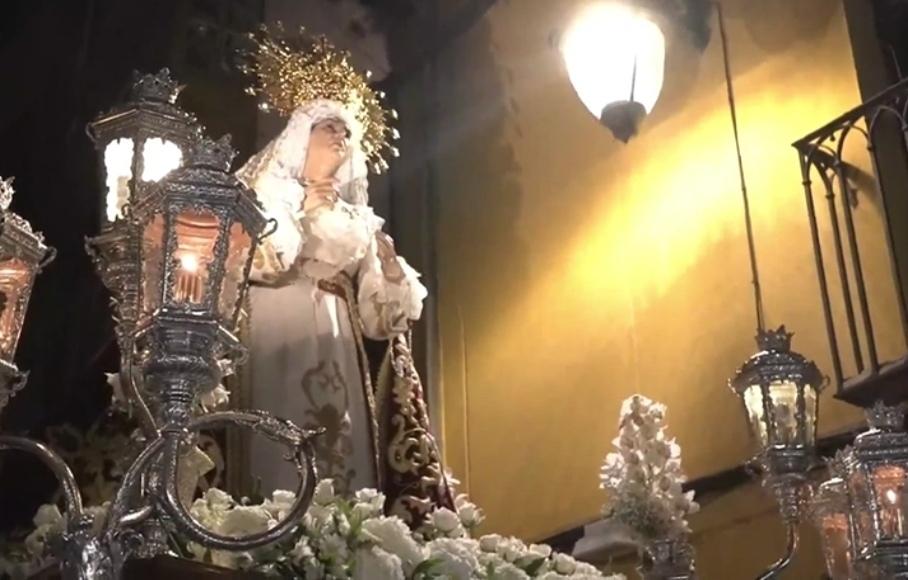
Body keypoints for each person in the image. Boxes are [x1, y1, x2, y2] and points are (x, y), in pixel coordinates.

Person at [234, 30, 453, 525]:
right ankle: (264, 522)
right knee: (280, 427)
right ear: (300, 135)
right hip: (277, 319)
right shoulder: (268, 193)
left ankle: (340, 535)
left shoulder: (359, 221)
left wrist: (390, 270)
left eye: (347, 133)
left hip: (337, 333)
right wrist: (300, 212)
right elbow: (252, 261)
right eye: (329, 127)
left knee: (339, 438)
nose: (340, 138)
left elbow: (381, 321)